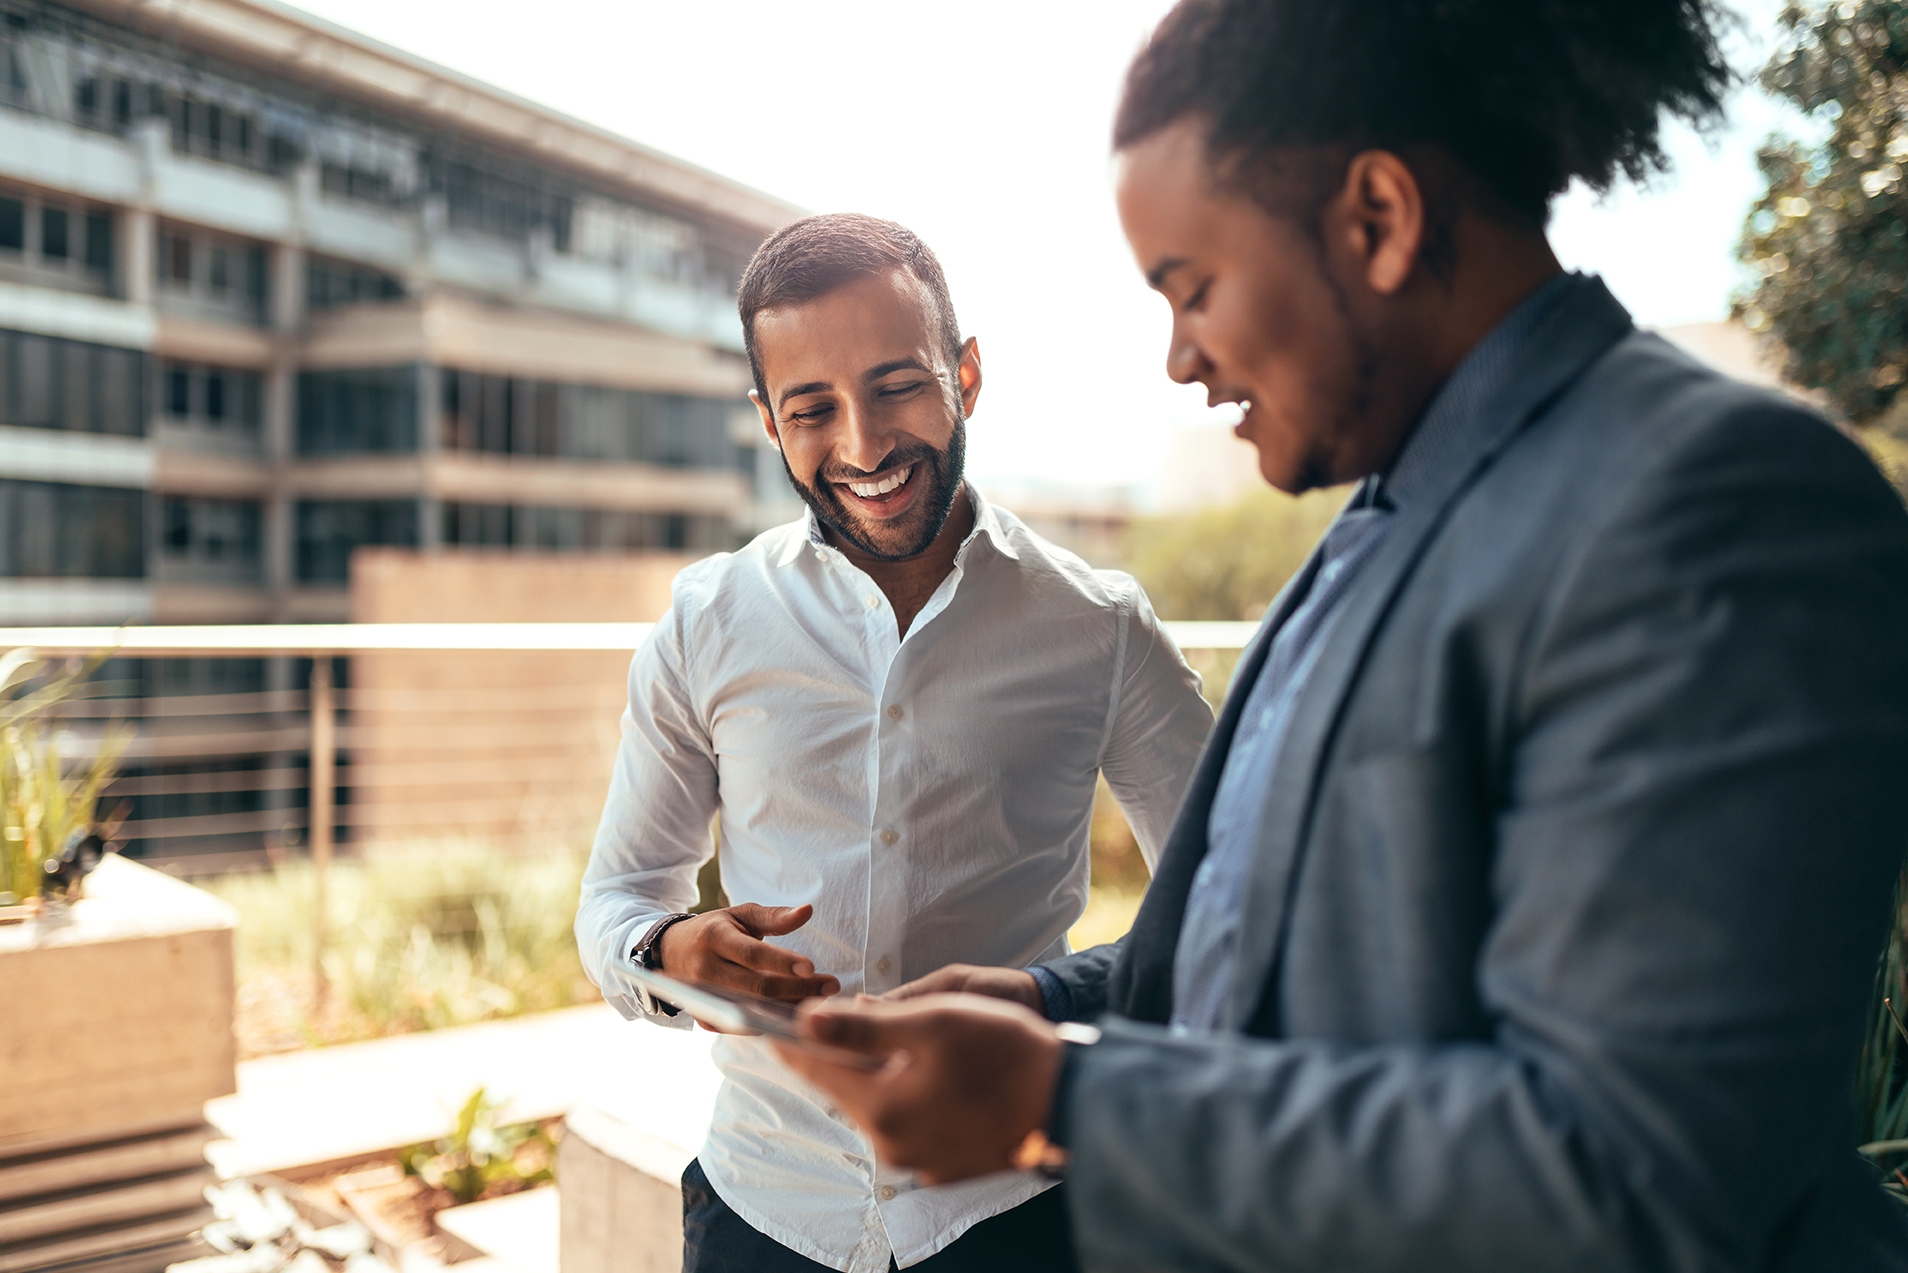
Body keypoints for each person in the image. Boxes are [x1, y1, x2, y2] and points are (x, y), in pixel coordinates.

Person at [773, 2, 1908, 1269]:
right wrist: (1043, 1001)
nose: (1180, 361)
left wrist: (1062, 1106)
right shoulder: (1380, 516)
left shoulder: (1722, 506)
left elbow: (1636, 1158)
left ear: (1378, 218)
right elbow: (1264, 944)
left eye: (1191, 288)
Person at [574, 212, 1213, 1273]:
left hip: (1013, 1214)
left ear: (965, 373)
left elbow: (1235, 909)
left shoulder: (1100, 627)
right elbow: (618, 897)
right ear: (769, 424)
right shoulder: (707, 621)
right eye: (812, 408)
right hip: (759, 1213)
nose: (864, 447)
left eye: (896, 385)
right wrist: (668, 952)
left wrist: (1058, 996)